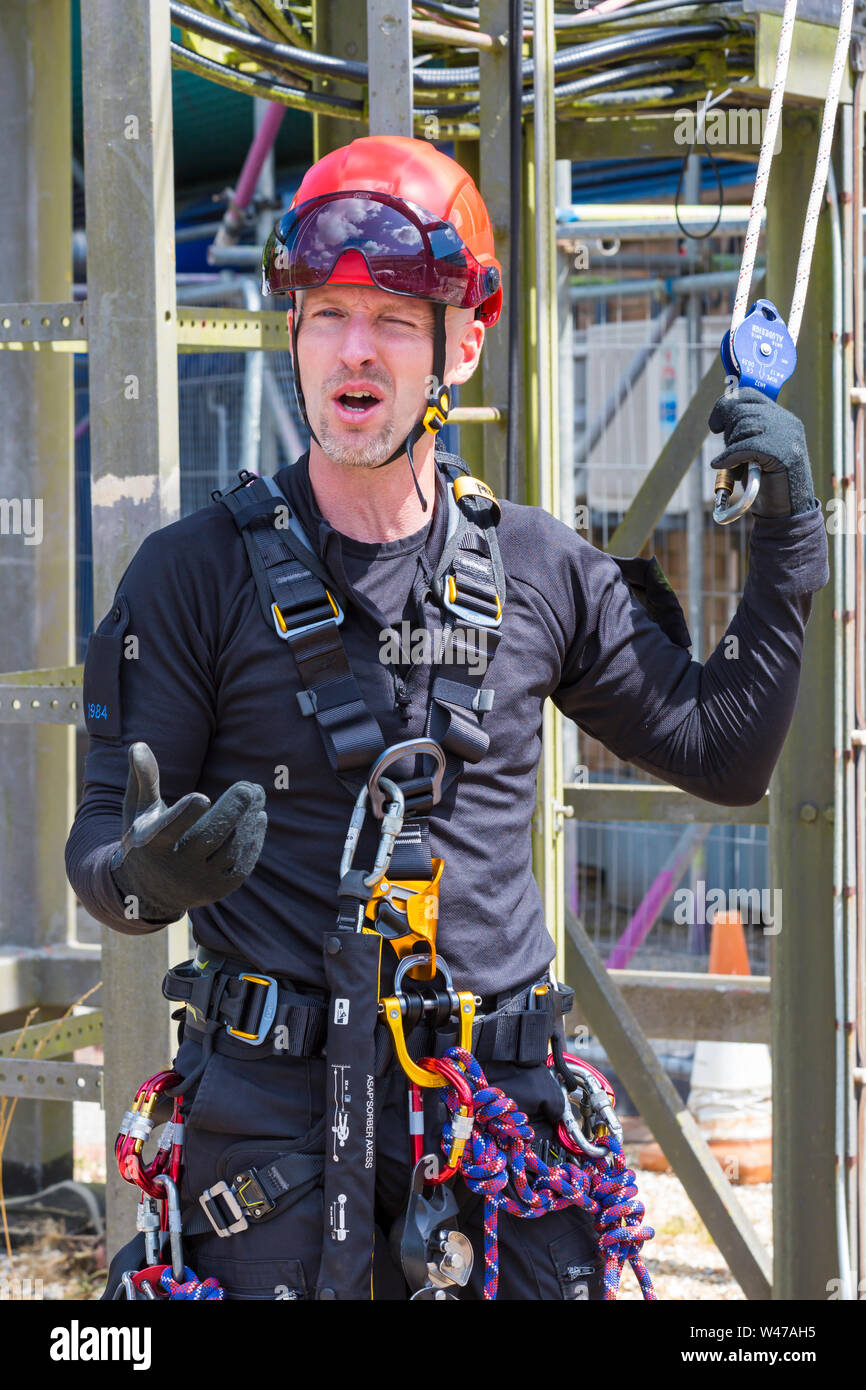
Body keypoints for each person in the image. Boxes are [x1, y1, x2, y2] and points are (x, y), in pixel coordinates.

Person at [66, 134, 829, 1301]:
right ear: (293, 334)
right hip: (272, 1133)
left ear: (460, 345)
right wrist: (148, 880)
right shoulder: (189, 576)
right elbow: (100, 859)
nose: (353, 349)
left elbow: (722, 755)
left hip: (493, 1116)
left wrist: (784, 542)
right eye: (325, 314)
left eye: (391, 317)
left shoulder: (542, 567)